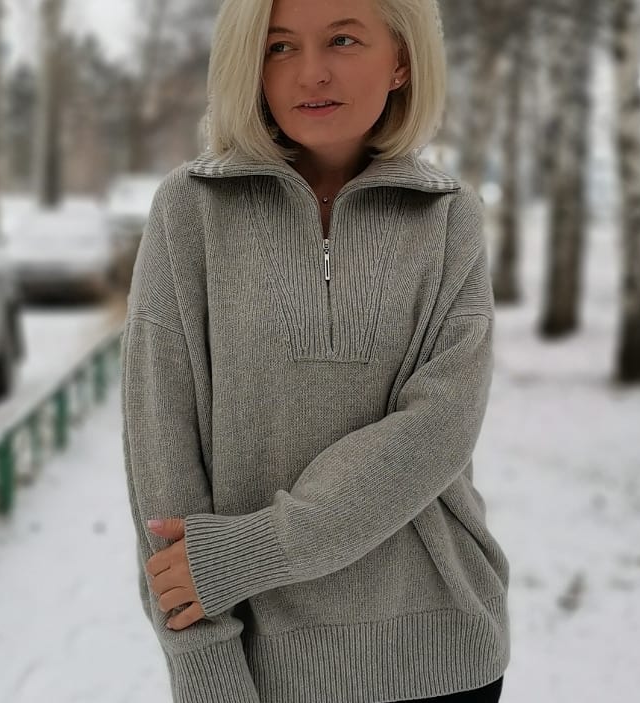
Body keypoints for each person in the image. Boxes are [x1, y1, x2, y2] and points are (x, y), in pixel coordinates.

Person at [119, 0, 511, 701]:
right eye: (279, 47)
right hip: (260, 668)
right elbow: (161, 449)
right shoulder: (191, 208)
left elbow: (440, 427)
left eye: (343, 40)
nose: (311, 73)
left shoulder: (449, 216)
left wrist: (254, 551)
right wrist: (205, 669)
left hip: (444, 653)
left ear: (401, 61)